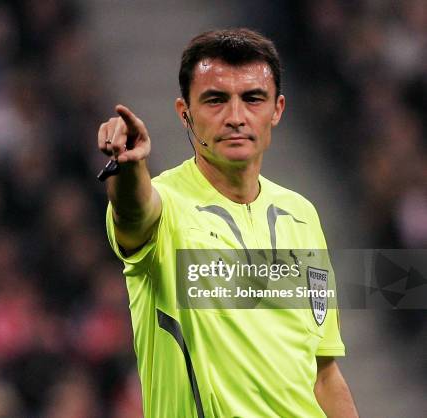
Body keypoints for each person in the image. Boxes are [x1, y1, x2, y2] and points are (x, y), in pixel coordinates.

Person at [97, 28, 359, 417]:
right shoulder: (168, 205)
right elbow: (134, 214)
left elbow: (324, 375)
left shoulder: (301, 215)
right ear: (185, 113)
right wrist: (129, 168)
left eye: (253, 99)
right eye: (216, 100)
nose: (236, 117)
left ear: (277, 109)